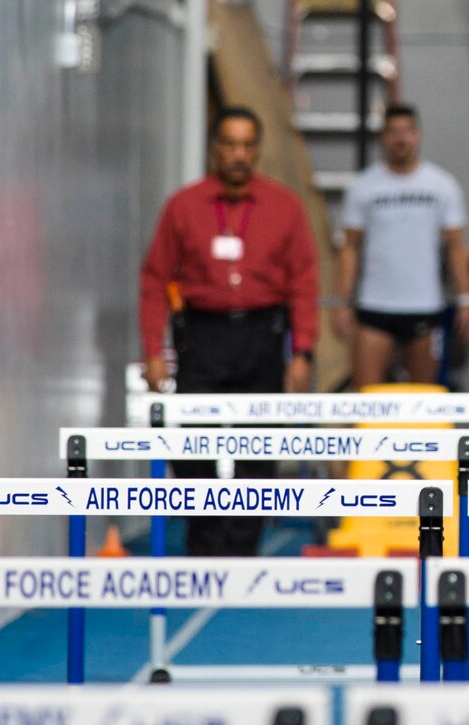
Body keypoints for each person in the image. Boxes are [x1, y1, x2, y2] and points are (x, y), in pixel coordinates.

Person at [139, 106, 319, 556]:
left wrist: (303, 351)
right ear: (215, 149)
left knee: (258, 447)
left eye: (247, 145)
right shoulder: (184, 205)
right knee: (191, 443)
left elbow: (304, 281)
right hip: (202, 336)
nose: (239, 155)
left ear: (257, 151)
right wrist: (152, 351)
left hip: (262, 335)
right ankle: (205, 542)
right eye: (230, 144)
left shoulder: (285, 206)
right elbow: (154, 279)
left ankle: (241, 549)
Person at [331, 104, 469, 388]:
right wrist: (341, 302)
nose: (401, 139)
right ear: (383, 137)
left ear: (418, 135)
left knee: (423, 402)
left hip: (424, 306)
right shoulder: (363, 187)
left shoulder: (442, 185)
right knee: (365, 400)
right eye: (393, 132)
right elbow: (350, 248)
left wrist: (466, 299)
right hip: (375, 306)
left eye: (407, 131)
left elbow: (456, 246)